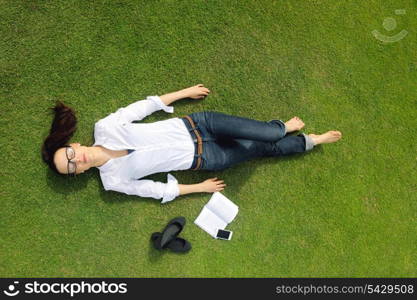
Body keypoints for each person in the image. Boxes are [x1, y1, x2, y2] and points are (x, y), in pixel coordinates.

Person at [42, 84, 342, 203]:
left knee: (271, 135)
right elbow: (156, 190)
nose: (75, 160)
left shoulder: (105, 128)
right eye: (70, 167)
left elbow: (141, 108)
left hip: (200, 124)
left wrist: (183, 93)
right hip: (208, 157)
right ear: (77, 174)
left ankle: (279, 127)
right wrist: (199, 188)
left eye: (69, 154)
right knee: (265, 149)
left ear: (76, 144)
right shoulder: (113, 180)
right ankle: (310, 141)